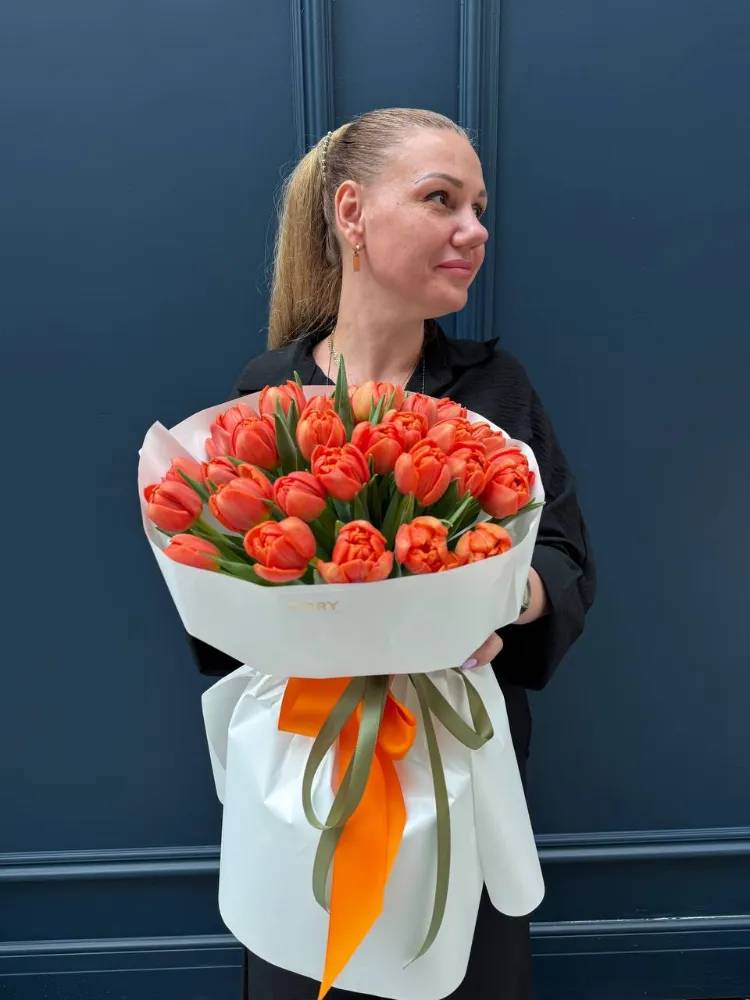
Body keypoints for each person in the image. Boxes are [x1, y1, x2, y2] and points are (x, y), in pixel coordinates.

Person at [188, 107, 597, 1000]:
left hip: (459, 769)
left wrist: (508, 597)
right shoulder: (267, 391)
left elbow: (566, 556)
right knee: (305, 958)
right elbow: (223, 598)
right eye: (441, 199)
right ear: (351, 213)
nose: (475, 230)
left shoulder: (496, 385)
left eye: (480, 207)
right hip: (305, 773)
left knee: (463, 972)